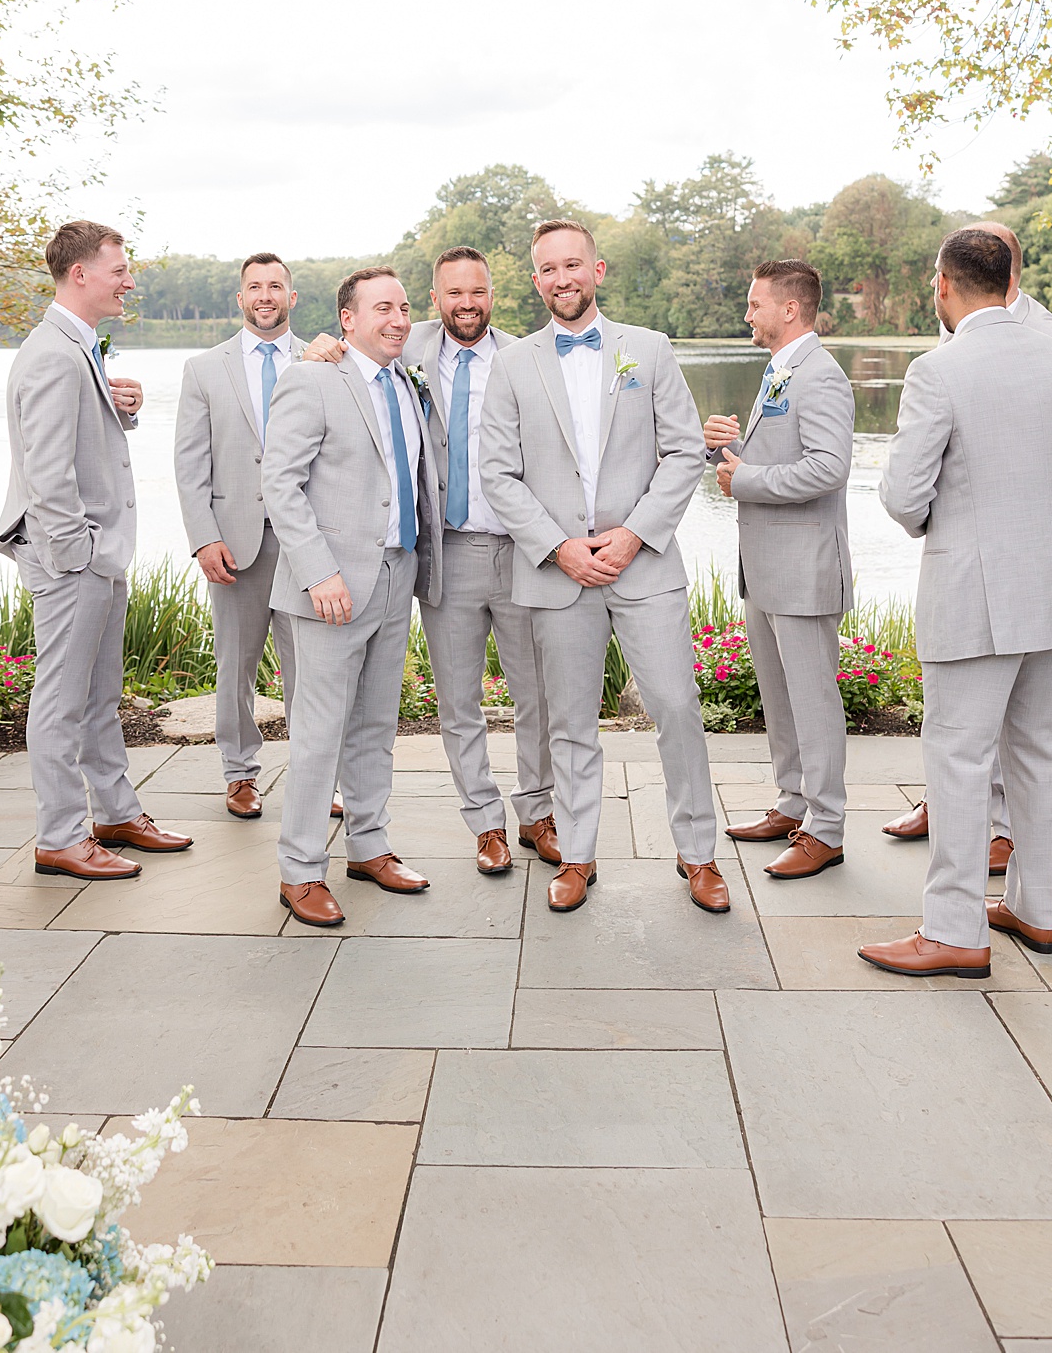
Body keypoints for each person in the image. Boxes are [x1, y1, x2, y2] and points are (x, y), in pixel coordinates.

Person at [860, 228, 1052, 978]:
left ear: (944, 284)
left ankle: (954, 930)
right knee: (1037, 752)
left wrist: (951, 525)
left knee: (959, 760)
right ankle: (1037, 911)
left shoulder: (940, 369)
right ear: (1008, 282)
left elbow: (904, 495)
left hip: (973, 593)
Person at [479, 220, 722, 915]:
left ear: (598, 270)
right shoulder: (514, 363)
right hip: (558, 573)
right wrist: (559, 547)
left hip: (643, 567)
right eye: (548, 269)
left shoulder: (648, 349)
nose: (562, 279)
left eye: (573, 265)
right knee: (569, 722)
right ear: (536, 281)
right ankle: (578, 856)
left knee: (676, 707)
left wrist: (635, 535)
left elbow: (682, 452)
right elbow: (498, 473)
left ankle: (698, 854)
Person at [0, 221, 193, 879]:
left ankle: (114, 812)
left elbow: (79, 439)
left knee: (100, 694)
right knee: (60, 701)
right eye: (119, 269)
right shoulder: (53, 353)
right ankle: (59, 834)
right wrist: (81, 555)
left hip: (97, 555)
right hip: (71, 559)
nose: (129, 280)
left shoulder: (75, 346)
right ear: (80, 274)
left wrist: (122, 407)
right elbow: (50, 478)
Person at [260, 266, 441, 926]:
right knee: (317, 734)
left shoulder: (405, 381)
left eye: (403, 308)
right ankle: (300, 870)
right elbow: (279, 483)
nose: (398, 319)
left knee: (374, 726)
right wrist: (318, 571)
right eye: (383, 308)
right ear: (348, 320)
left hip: (396, 577)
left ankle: (369, 846)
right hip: (330, 589)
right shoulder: (312, 380)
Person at [396, 247, 553, 875]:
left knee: (535, 693)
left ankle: (537, 812)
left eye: (478, 292)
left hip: (522, 553)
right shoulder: (407, 353)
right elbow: (345, 358)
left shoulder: (525, 359)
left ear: (494, 294)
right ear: (435, 298)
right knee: (458, 699)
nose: (467, 304)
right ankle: (484, 822)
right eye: (453, 293)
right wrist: (320, 348)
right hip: (448, 551)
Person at [705, 260, 855, 881]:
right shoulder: (780, 370)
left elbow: (828, 469)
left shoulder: (820, 376)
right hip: (765, 568)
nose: (748, 314)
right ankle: (793, 803)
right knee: (781, 696)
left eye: (754, 304)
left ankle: (826, 827)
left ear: (790, 308)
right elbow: (768, 463)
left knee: (814, 701)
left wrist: (746, 479)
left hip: (804, 569)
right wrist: (720, 450)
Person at [171, 252, 306, 821]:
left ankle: (313, 777)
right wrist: (204, 538)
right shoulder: (205, 369)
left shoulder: (326, 360)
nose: (266, 295)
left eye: (276, 285)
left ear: (291, 297)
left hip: (307, 545)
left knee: (312, 668)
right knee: (236, 665)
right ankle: (239, 773)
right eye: (255, 286)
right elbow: (189, 464)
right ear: (241, 298)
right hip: (235, 544)